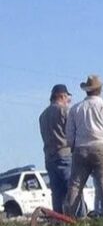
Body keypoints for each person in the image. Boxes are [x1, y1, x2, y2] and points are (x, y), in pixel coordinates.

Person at [63, 75, 103, 223]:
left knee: (76, 184)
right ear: (100, 89)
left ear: (86, 90)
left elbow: (69, 133)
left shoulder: (75, 109)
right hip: (102, 147)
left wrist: (73, 145)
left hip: (81, 148)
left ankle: (68, 216)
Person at [38, 84, 72, 213]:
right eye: (67, 97)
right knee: (72, 188)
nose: (68, 100)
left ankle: (58, 219)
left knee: (57, 193)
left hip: (49, 157)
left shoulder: (42, 115)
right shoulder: (64, 111)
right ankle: (78, 218)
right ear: (62, 96)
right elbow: (71, 133)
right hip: (64, 154)